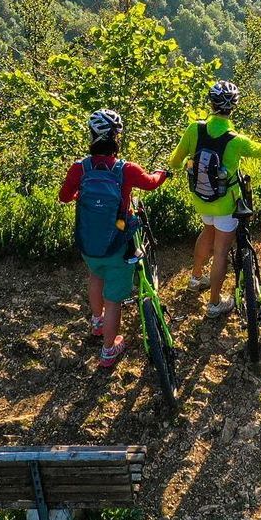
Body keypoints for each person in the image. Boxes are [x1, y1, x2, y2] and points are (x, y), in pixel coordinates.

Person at [58, 109, 169, 369]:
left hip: (88, 240)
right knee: (114, 298)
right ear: (117, 137)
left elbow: (64, 196)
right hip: (117, 235)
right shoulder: (125, 169)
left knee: (96, 276)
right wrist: (163, 173)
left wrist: (81, 199)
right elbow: (151, 183)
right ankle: (109, 350)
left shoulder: (79, 168)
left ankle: (97, 322)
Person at [168, 80, 261, 317]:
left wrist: (188, 166)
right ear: (234, 106)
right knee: (221, 250)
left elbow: (174, 162)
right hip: (225, 202)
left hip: (201, 196)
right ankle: (214, 304)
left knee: (207, 231)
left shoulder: (194, 129)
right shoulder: (236, 140)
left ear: (210, 103)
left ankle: (195, 278)